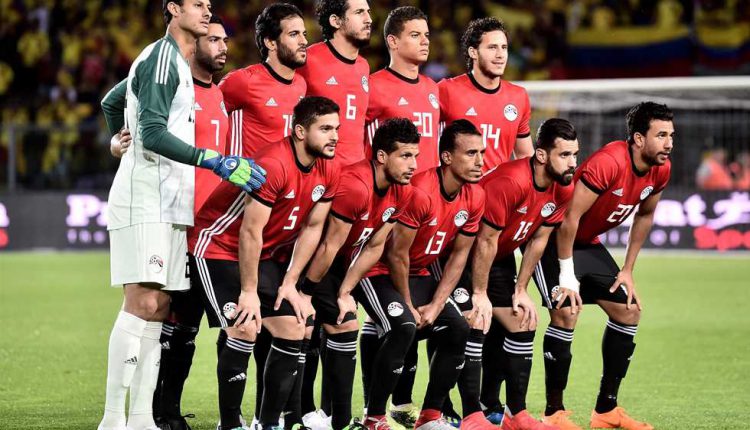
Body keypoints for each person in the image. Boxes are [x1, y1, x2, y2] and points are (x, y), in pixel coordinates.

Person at [98, 2, 265, 430]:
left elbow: (115, 100)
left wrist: (120, 134)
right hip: (145, 198)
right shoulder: (161, 57)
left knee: (158, 308)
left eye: (208, 5)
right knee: (141, 303)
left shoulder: (179, 63)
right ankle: (113, 419)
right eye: (197, 4)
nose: (206, 10)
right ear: (173, 8)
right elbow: (152, 133)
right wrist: (212, 159)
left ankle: (141, 418)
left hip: (171, 203)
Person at [534, 102, 673, 430]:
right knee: (566, 312)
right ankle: (553, 413)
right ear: (638, 138)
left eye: (671, 135)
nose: (669, 143)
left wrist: (627, 270)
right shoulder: (609, 162)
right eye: (661, 135)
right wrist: (567, 274)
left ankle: (606, 410)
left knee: (628, 311)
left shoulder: (661, 169)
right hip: (551, 239)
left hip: (587, 244)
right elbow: (569, 218)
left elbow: (645, 215)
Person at [296, 117, 419, 430]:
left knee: (348, 326)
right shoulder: (355, 185)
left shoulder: (402, 191)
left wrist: (345, 291)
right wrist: (306, 293)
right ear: (382, 156)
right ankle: (299, 415)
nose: (413, 165)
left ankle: (351, 418)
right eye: (405, 156)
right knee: (314, 329)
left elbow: (375, 245)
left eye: (415, 156)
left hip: (343, 264)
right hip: (309, 259)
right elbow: (328, 245)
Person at [371, 119, 489, 430]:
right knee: (405, 325)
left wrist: (437, 305)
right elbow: (396, 254)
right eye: (471, 153)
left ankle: (430, 415)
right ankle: (375, 416)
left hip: (420, 271)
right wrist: (409, 304)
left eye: (482, 153)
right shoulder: (421, 191)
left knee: (458, 328)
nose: (480, 161)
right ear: (447, 157)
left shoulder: (476, 196)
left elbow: (459, 256)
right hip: (380, 270)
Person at [231, 96, 339, 430]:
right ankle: (233, 421)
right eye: (325, 129)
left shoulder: (330, 166)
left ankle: (270, 422)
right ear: (300, 131)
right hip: (232, 251)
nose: (334, 136)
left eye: (336, 128)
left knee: (297, 324)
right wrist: (249, 290)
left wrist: (292, 283)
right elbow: (250, 231)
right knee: (244, 326)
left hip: (273, 256)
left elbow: (313, 228)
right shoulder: (273, 163)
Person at [470, 118, 578, 430]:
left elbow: (538, 240)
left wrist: (521, 290)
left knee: (523, 320)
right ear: (541, 155)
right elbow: (484, 240)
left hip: (500, 257)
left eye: (575, 154)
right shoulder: (511, 181)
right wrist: (480, 293)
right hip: (463, 257)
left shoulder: (563, 187)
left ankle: (515, 414)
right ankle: (466, 413)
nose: (573, 163)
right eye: (565, 155)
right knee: (474, 321)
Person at [296, 2, 373, 426]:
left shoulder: (363, 67)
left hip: (353, 200)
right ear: (335, 20)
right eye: (359, 11)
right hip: (315, 197)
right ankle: (300, 408)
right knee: (304, 311)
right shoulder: (309, 60)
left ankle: (329, 412)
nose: (368, 17)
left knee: (338, 311)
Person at [439, 17, 533, 173]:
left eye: (504, 47)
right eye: (492, 47)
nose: (500, 55)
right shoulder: (447, 90)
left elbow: (525, 157)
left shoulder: (518, 96)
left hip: (498, 187)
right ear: (473, 52)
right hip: (456, 188)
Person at [219, 3, 307, 157]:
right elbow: (206, 113)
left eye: (304, 34)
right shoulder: (244, 81)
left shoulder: (301, 84)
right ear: (271, 43)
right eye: (294, 34)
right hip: (245, 172)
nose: (304, 41)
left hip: (283, 172)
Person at [365, 6, 440, 173]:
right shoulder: (373, 86)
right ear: (393, 41)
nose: (425, 41)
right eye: (415, 35)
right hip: (390, 187)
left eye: (426, 35)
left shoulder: (432, 87)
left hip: (429, 187)